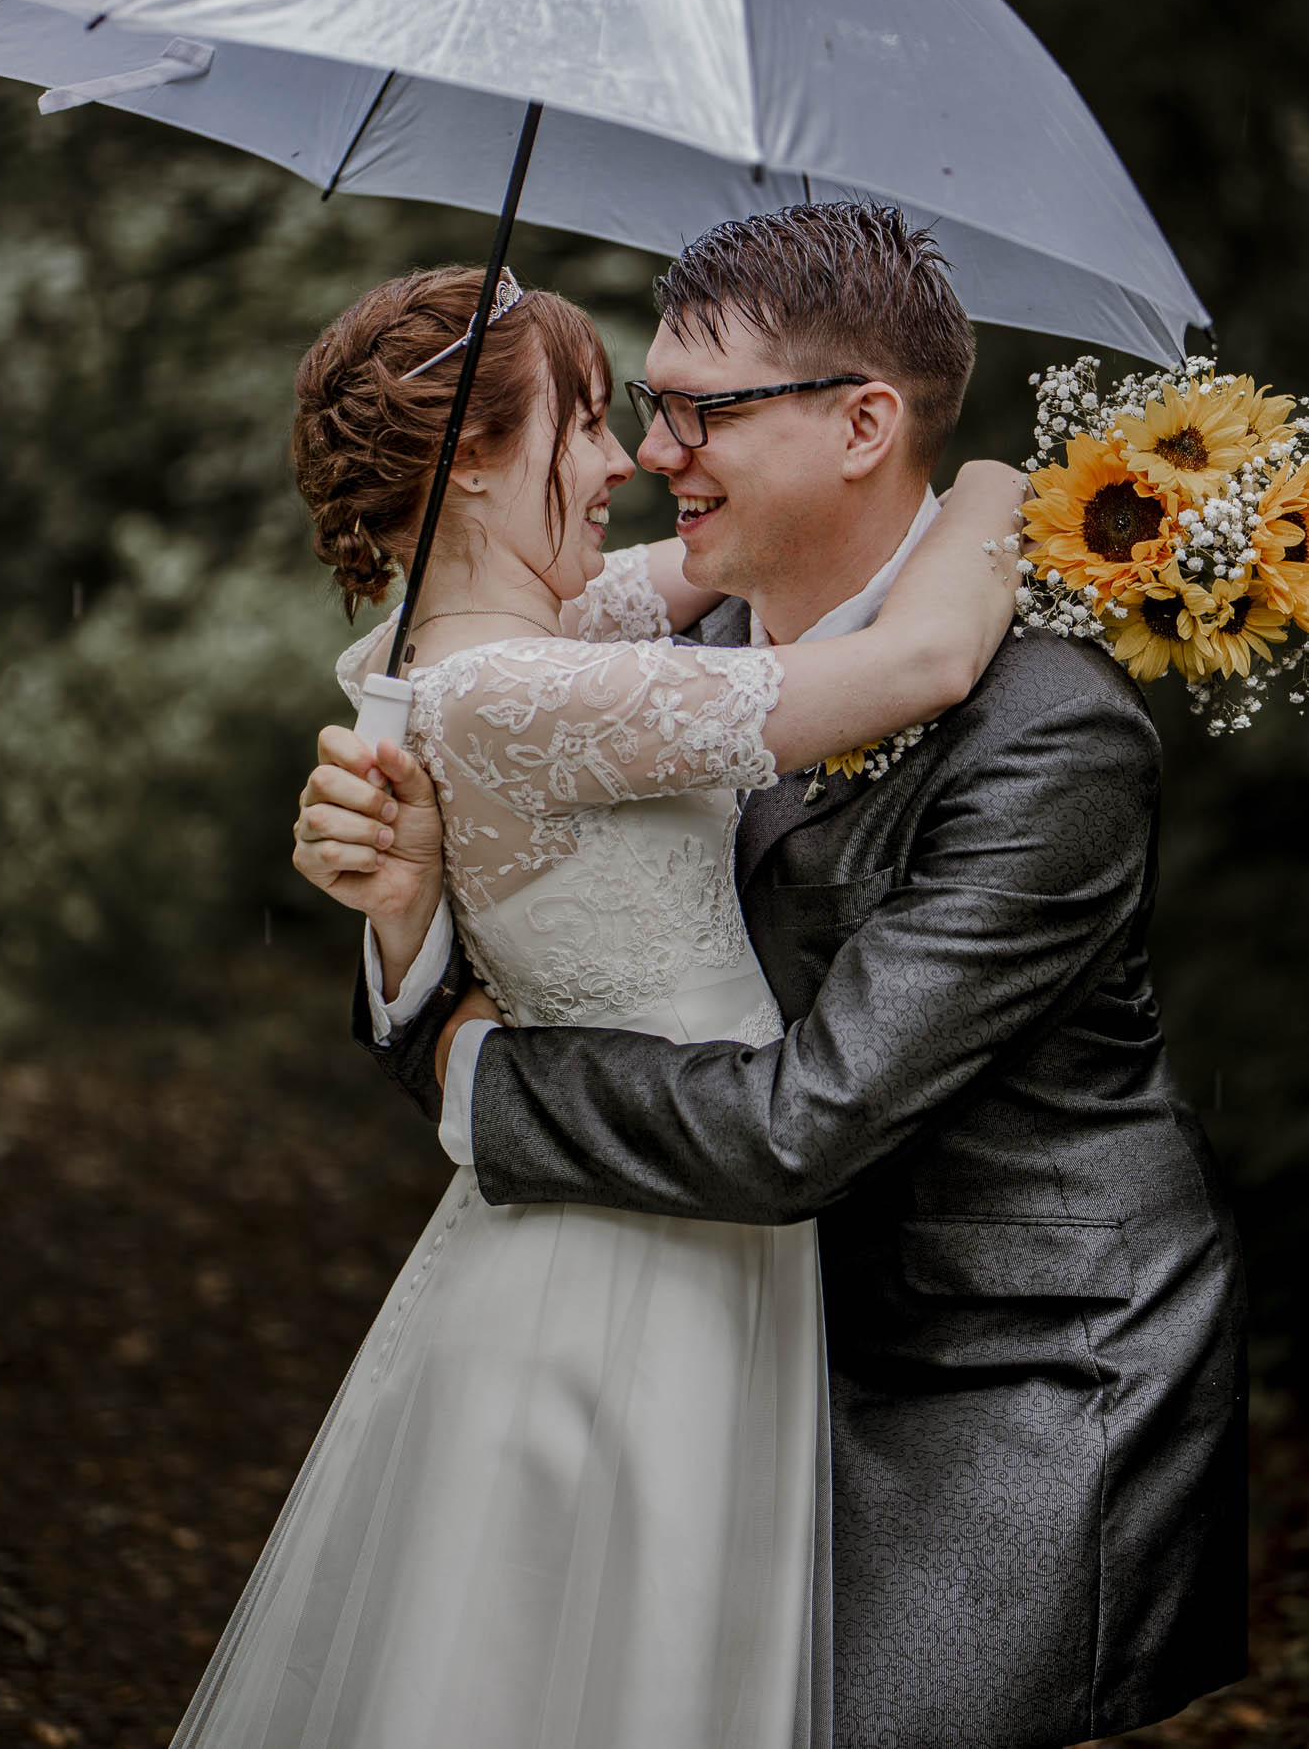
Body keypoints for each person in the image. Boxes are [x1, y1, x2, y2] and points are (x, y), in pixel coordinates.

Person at [297, 205, 1248, 1749]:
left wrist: (472, 1076)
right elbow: (540, 933)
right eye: (638, 406)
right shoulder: (655, 662)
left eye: (699, 409)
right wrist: (408, 916)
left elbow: (802, 1123)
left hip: (990, 1361)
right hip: (723, 1308)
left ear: (865, 421)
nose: (653, 451)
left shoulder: (1046, 733)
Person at [169, 248, 1024, 1749]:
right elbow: (931, 655)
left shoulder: (459, 650)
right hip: (631, 1251)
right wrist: (998, 483)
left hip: (659, 1206)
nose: (624, 457)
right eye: (580, 423)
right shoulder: (522, 689)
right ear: (473, 464)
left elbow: (711, 564)